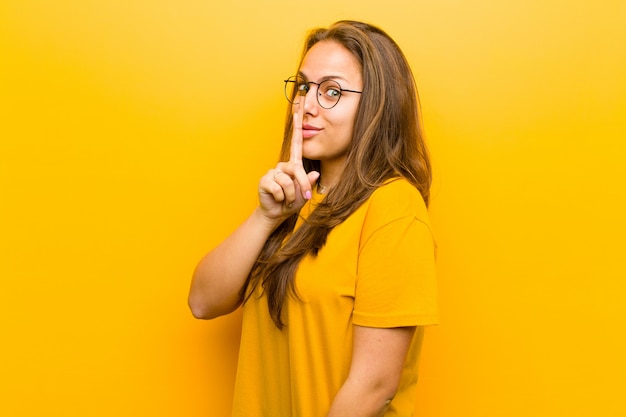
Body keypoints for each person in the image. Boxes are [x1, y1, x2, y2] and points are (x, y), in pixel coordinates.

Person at [188, 20, 438, 417]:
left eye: (332, 91)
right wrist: (265, 216)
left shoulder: (394, 208)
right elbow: (202, 302)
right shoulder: (291, 200)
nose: (306, 106)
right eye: (303, 87)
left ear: (377, 104)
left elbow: (374, 387)